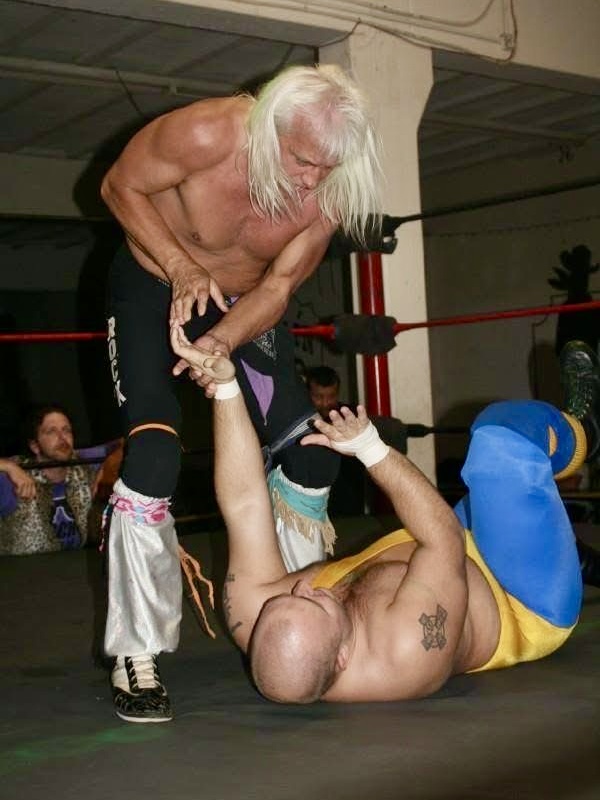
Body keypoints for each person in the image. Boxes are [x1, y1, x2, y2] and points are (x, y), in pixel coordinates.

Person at [99, 63, 383, 722]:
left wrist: (221, 343)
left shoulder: (329, 194)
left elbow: (278, 289)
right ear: (269, 127)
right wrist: (179, 265)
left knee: (311, 452)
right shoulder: (207, 132)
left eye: (327, 166)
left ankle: (296, 612)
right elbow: (119, 186)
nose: (311, 179)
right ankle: (135, 653)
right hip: (151, 285)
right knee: (152, 460)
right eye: (301, 159)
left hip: (243, 306)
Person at [171, 327, 600, 704]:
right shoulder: (407, 649)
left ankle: (563, 541)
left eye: (290, 595)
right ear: (342, 658)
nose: (305, 586)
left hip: (453, 553)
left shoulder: (261, 619)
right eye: (315, 604)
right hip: (519, 594)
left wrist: (226, 389)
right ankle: (586, 430)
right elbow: (443, 537)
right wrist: (369, 448)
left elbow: (245, 504)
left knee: (497, 489)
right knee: (500, 442)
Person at [0, 405, 122, 556]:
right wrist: (8, 466)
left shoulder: (82, 461)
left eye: (66, 430)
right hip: (25, 575)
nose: (62, 437)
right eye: (51, 431)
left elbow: (128, 442)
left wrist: (109, 465)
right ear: (35, 446)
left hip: (77, 569)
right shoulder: (12, 477)